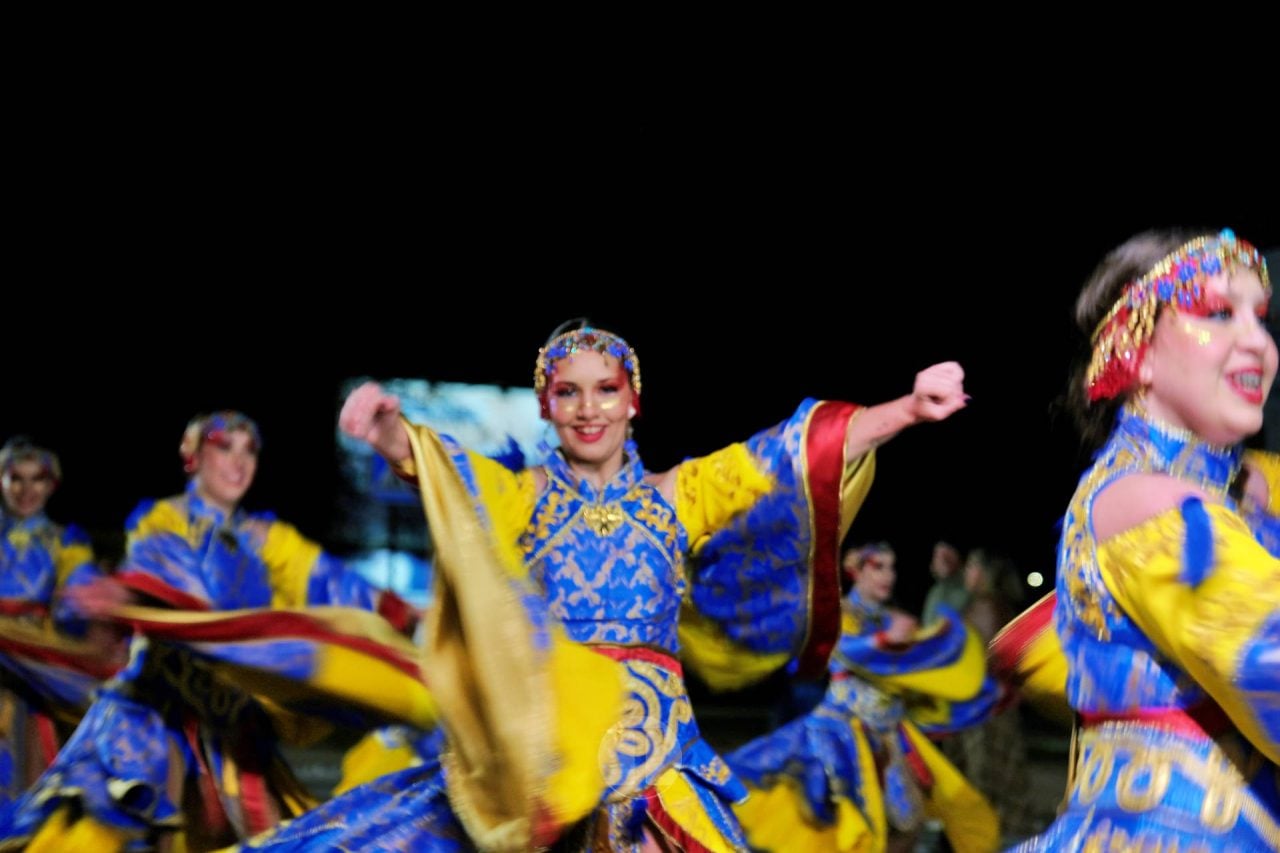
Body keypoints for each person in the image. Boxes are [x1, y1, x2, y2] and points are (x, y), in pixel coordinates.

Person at [1, 411, 428, 851]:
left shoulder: (266, 537)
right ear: (193, 456)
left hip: (231, 723)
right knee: (114, 824)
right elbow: (159, 575)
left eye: (250, 451)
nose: (239, 463)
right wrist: (125, 594)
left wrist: (404, 612)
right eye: (225, 448)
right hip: (154, 709)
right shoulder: (162, 518)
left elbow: (330, 581)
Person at [1004, 229, 1280, 849]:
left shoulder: (1245, 487)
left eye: (1261, 318)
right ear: (1137, 351)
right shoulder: (1144, 505)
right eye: (1217, 313)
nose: (1258, 341)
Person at [727, 542, 1000, 853]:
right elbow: (847, 651)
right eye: (878, 567)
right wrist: (888, 641)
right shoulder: (840, 613)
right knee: (848, 825)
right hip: (839, 733)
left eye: (892, 567)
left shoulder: (894, 619)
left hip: (889, 735)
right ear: (856, 571)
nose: (889, 575)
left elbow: (914, 672)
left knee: (909, 820)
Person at [0, 438, 111, 812]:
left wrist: (83, 601)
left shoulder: (66, 542)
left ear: (51, 485)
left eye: (37, 479)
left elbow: (78, 594)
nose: (26, 490)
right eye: (16, 478)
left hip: (35, 664)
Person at [922, 540, 968, 625]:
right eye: (937, 555)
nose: (943, 560)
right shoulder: (935, 592)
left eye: (947, 554)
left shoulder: (970, 588)